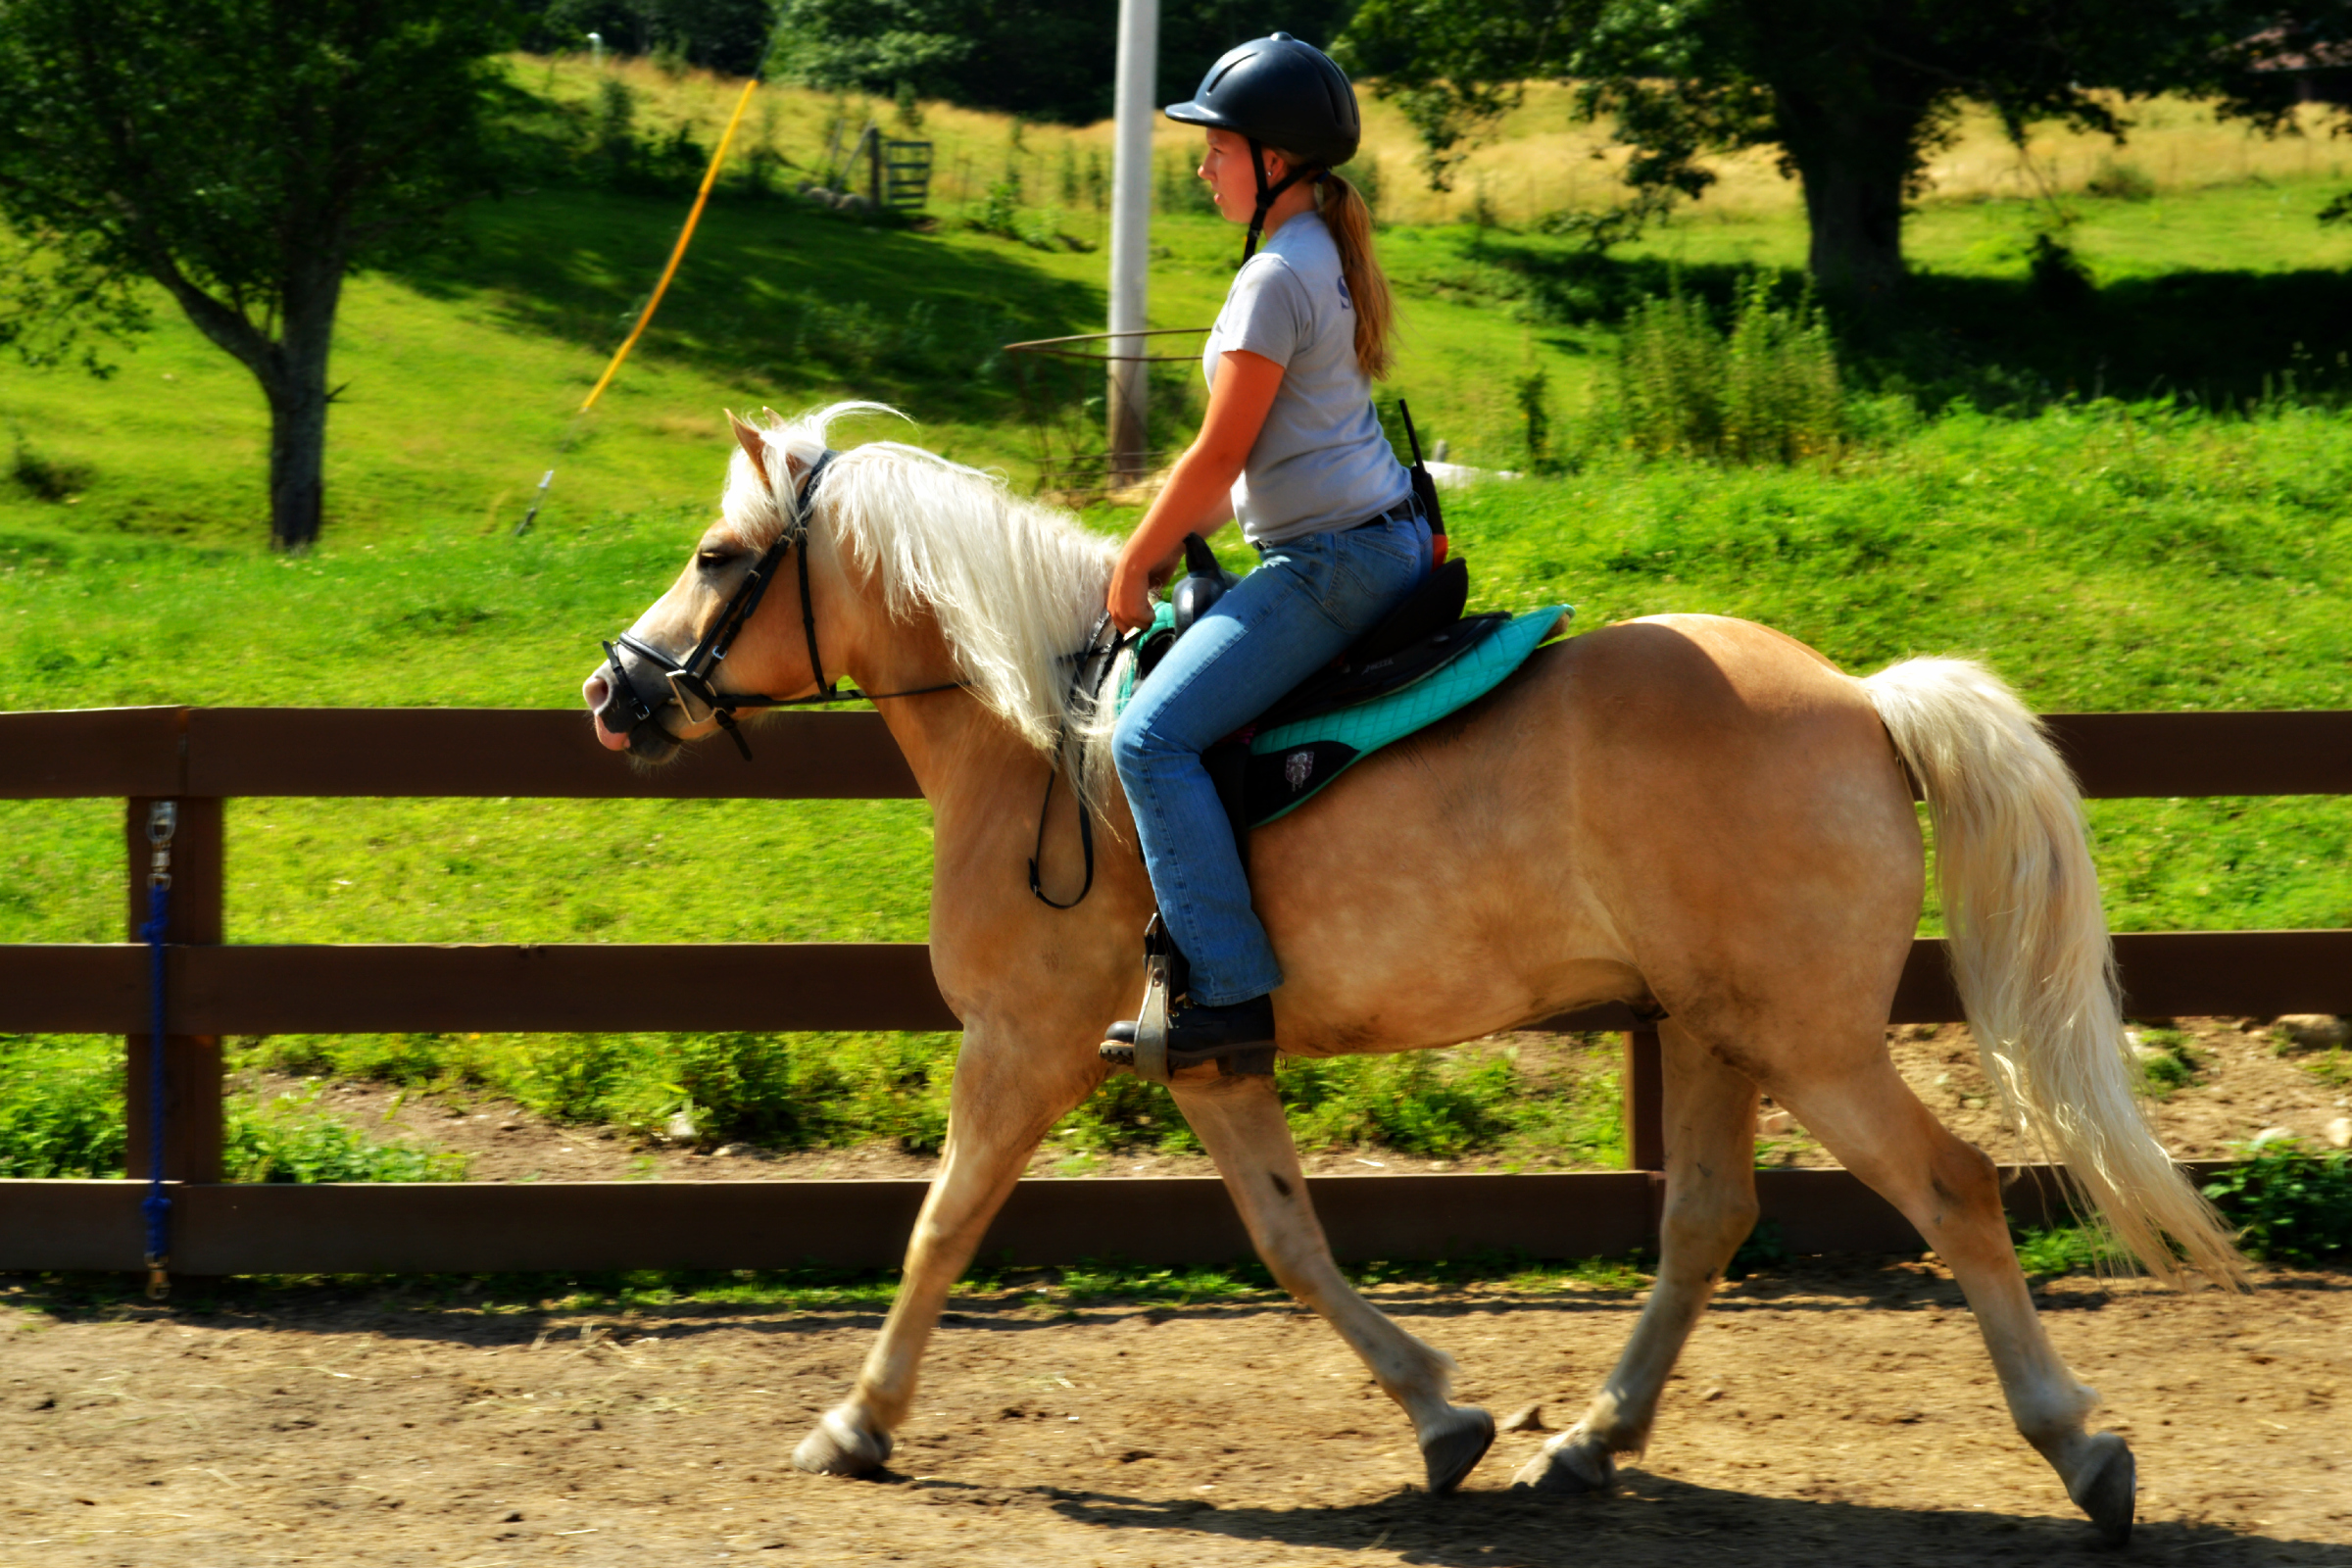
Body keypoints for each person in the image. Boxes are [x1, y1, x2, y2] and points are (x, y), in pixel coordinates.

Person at [1103, 33, 1429, 1068]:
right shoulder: (1313, 252)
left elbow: (1213, 461)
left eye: (1219, 146)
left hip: (1334, 561)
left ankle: (1232, 994)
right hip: (1383, 538)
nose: (1202, 163)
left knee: (1148, 740)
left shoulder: (1274, 278)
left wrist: (1135, 561)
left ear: (1276, 162)